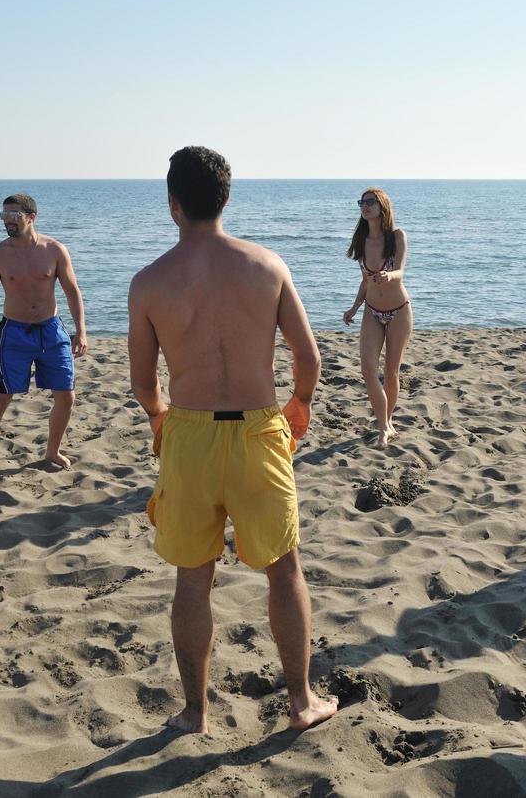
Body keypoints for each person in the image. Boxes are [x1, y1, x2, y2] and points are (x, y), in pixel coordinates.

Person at [128, 146, 338, 735]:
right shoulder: (266, 266)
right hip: (256, 429)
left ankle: (195, 712)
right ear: (226, 199)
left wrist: (159, 417)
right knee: (285, 569)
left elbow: (143, 381)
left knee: (193, 577)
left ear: (173, 205)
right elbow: (308, 356)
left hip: (190, 432)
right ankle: (300, 703)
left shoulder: (149, 283)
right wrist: (301, 402)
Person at [0, 194, 88, 486]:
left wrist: (81, 329)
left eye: (14, 215)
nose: (7, 220)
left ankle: (52, 451)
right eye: (3, 215)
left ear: (31, 217)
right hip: (14, 333)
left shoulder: (54, 250)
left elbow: (72, 291)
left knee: (66, 396)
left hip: (51, 330)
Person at [342, 187, 411, 447]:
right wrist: (354, 307)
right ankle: (384, 426)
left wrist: (389, 275)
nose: (365, 206)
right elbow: (365, 280)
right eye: (362, 202)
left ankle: (387, 423)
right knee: (368, 370)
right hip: (372, 311)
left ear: (382, 206)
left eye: (370, 202)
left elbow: (400, 271)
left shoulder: (397, 236)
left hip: (399, 311)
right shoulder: (362, 241)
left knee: (391, 373)